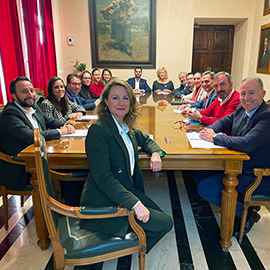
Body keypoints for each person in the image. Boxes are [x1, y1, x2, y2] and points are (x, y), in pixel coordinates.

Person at [80, 79, 173, 253]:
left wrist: (156, 153)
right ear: (106, 101)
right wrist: (135, 204)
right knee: (165, 223)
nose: (121, 103)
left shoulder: (125, 127)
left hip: (126, 189)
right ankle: (125, 251)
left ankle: (132, 243)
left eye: (126, 98)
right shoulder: (99, 130)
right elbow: (104, 178)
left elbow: (145, 139)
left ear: (131, 102)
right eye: (115, 98)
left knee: (160, 221)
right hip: (105, 198)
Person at [195, 76, 270, 236]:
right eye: (243, 93)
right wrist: (209, 131)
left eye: (251, 93)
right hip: (236, 163)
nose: (246, 98)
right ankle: (237, 204)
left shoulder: (266, 116)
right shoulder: (242, 108)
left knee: (205, 187)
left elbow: (247, 143)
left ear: (263, 94)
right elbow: (223, 122)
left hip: (255, 173)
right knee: (199, 173)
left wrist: (215, 138)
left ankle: (247, 214)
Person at [0, 77, 75, 190]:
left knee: (71, 167)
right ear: (14, 95)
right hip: (22, 167)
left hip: (40, 155)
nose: (30, 95)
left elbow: (49, 120)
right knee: (67, 170)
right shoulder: (10, 114)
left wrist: (67, 125)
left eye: (32, 90)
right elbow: (32, 136)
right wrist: (60, 131)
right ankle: (52, 205)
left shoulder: (33, 106)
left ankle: (67, 202)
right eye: (24, 92)